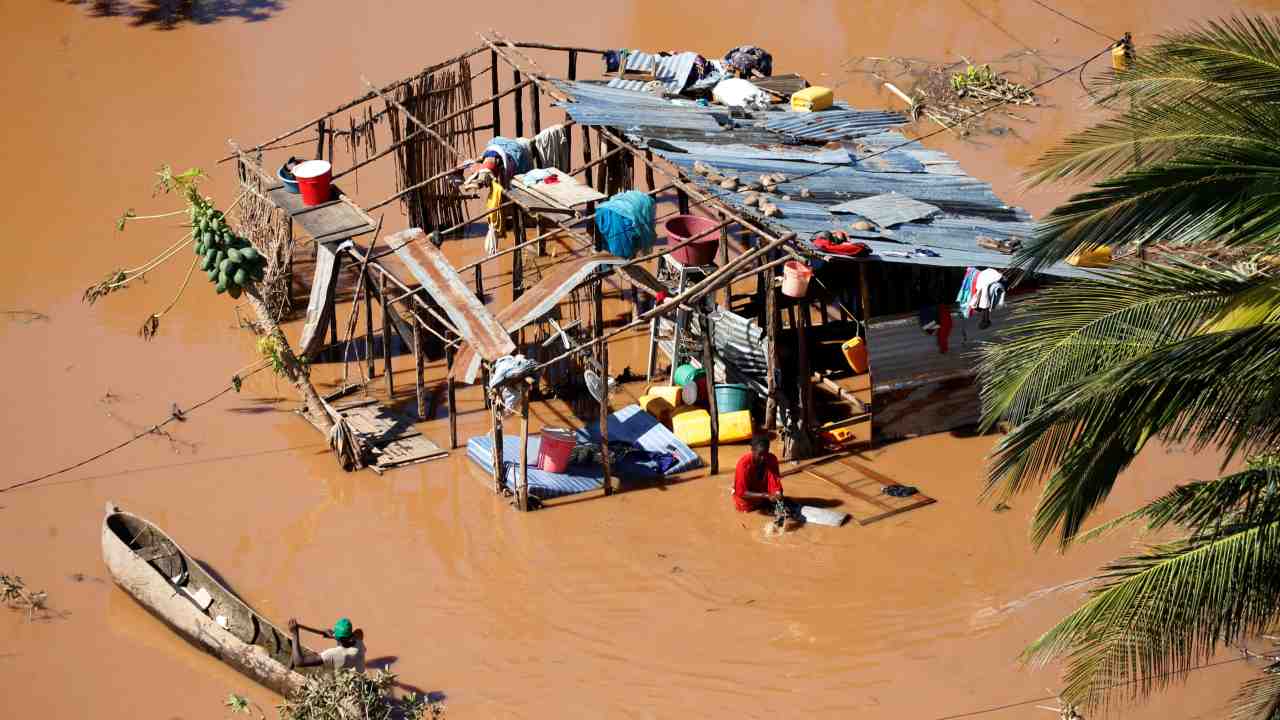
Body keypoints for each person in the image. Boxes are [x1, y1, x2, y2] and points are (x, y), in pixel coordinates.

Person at [288, 616, 367, 677]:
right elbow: (349, 638)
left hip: (339, 676)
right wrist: (333, 635)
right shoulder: (358, 641)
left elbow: (299, 662)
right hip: (354, 669)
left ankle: (288, 671)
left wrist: (295, 634)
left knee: (297, 654)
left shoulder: (333, 654)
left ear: (339, 638)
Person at [733, 433, 784, 512]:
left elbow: (775, 482)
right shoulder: (743, 464)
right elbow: (741, 492)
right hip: (746, 502)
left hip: (764, 496)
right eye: (760, 454)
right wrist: (765, 495)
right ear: (753, 451)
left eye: (766, 453)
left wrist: (778, 493)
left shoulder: (772, 459)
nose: (763, 458)